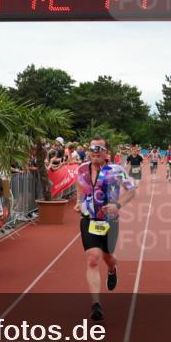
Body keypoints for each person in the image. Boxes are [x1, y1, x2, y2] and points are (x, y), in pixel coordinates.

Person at [74, 137, 136, 321]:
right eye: (92, 148)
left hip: (110, 221)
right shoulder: (82, 169)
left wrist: (118, 205)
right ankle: (96, 305)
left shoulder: (116, 170)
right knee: (93, 258)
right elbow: (79, 187)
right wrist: (78, 202)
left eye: (99, 148)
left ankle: (112, 269)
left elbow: (131, 191)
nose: (95, 151)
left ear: (106, 152)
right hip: (88, 219)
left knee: (108, 257)